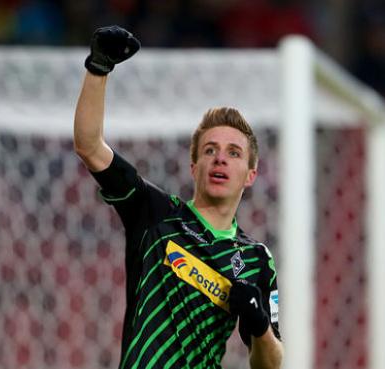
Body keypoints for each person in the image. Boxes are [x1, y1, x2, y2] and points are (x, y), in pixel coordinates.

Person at [73, 25, 283, 369]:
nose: (219, 158)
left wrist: (260, 326)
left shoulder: (256, 260)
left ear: (250, 175)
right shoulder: (154, 212)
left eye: (233, 153)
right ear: (194, 166)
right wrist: (99, 68)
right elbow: (90, 147)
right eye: (210, 150)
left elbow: (270, 364)